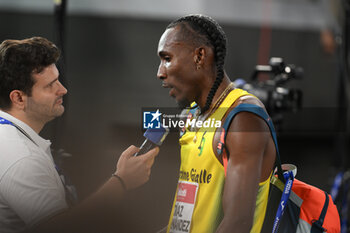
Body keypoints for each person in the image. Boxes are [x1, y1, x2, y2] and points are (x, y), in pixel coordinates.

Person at [0, 36, 159, 233]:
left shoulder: (9, 139)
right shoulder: (22, 157)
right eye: (50, 85)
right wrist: (122, 181)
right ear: (18, 97)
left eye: (58, 80)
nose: (63, 90)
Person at [156, 14, 276, 233]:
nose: (160, 73)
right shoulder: (191, 117)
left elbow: (237, 224)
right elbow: (186, 223)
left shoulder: (243, 118)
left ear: (199, 56)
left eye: (167, 58)